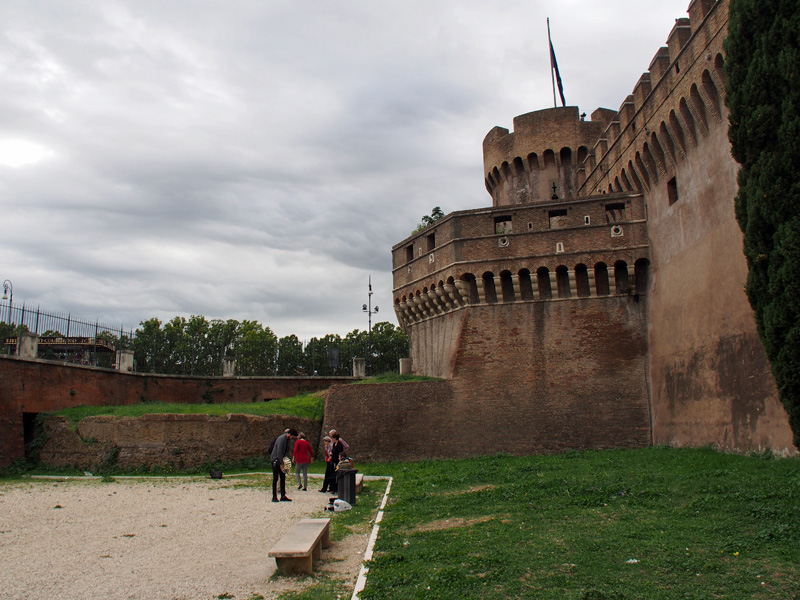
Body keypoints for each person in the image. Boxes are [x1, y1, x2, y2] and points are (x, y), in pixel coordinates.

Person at [270, 428, 297, 502]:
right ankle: (274, 497)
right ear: (290, 434)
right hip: (276, 460)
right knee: (275, 478)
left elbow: (286, 451)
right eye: (293, 437)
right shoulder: (281, 439)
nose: (292, 438)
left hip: (281, 459)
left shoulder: (287, 440)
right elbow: (279, 452)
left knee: (282, 477)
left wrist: (286, 460)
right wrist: (281, 463)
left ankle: (283, 496)